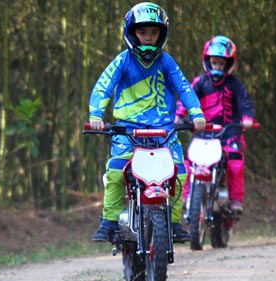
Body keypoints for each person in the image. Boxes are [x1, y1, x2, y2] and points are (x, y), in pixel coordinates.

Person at [88, 2, 206, 243]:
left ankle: (173, 223)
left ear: (162, 34)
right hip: (127, 131)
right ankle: (109, 222)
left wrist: (196, 114)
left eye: (154, 33)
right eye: (143, 33)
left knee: (179, 172)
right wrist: (96, 116)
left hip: (164, 131)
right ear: (132, 33)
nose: (149, 38)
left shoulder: (166, 62)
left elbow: (184, 87)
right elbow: (103, 87)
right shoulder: (122, 61)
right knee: (115, 172)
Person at [176, 35, 256, 214]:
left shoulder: (234, 84)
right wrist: (177, 115)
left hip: (229, 133)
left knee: (235, 161)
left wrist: (247, 118)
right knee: (189, 163)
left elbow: (245, 101)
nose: (217, 67)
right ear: (208, 62)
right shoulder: (200, 82)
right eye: (214, 63)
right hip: (203, 132)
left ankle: (235, 199)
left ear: (228, 64)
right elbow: (187, 97)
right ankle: (187, 196)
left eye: (221, 63)